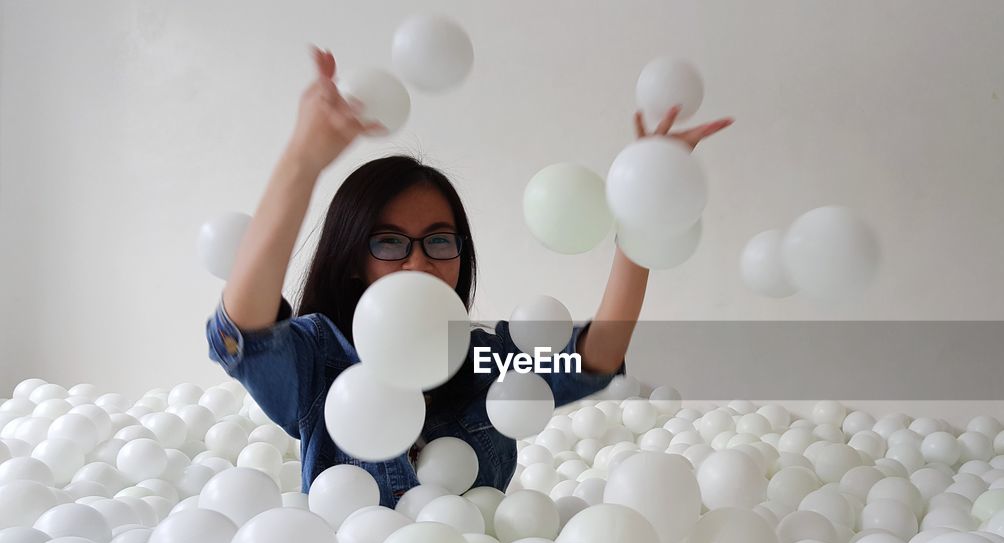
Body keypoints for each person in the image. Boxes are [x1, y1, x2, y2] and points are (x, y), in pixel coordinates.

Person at [206, 47, 732, 507]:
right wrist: (303, 160)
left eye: (439, 240)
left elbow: (595, 355)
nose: (418, 263)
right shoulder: (317, 361)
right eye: (389, 242)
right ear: (352, 259)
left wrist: (646, 206)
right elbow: (243, 331)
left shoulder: (487, 360)